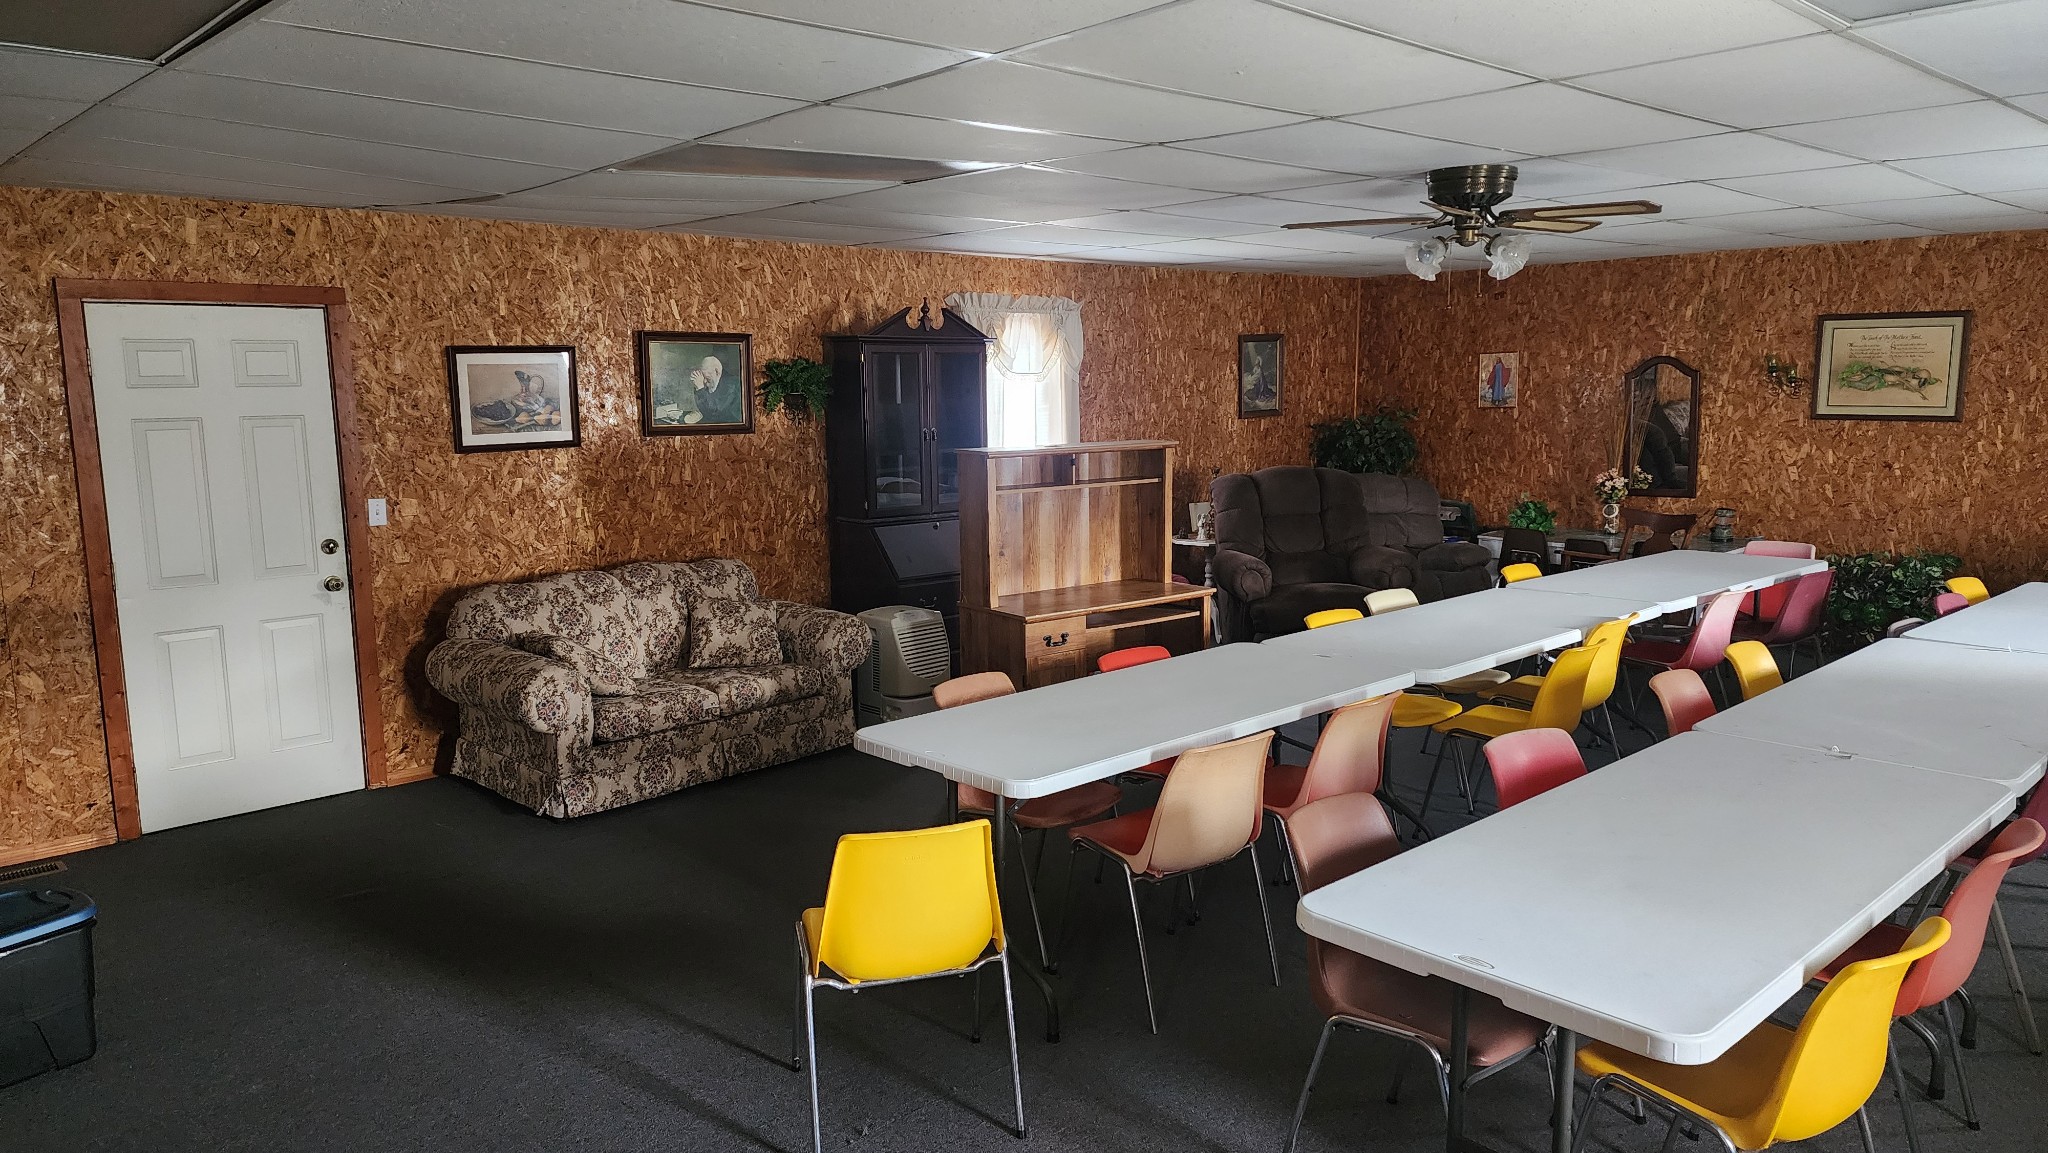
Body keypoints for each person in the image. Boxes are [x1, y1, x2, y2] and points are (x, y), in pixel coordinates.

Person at [689, 355, 743, 425]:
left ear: (717, 372)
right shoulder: (711, 382)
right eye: (703, 378)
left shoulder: (731, 385)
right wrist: (698, 387)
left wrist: (700, 389)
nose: (704, 381)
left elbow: (715, 413)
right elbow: (705, 411)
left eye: (707, 378)